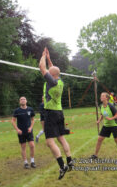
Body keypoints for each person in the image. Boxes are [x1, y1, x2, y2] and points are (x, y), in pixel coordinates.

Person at [39, 47, 73, 180]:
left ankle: (62, 166)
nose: (46, 72)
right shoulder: (59, 81)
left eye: (48, 72)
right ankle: (69, 160)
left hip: (51, 113)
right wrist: (49, 58)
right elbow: (52, 69)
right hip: (59, 112)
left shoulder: (51, 81)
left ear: (51, 75)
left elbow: (42, 67)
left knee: (49, 142)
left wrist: (42, 56)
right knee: (61, 138)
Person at [90, 92, 117, 160]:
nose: (101, 97)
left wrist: (111, 118)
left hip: (114, 125)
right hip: (106, 126)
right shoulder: (101, 106)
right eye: (101, 96)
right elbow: (102, 114)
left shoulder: (111, 106)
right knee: (99, 139)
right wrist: (99, 120)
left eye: (102, 96)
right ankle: (95, 155)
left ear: (106, 98)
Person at [12, 97, 36, 169]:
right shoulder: (17, 111)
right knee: (23, 147)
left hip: (29, 131)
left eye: (24, 99)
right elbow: (13, 121)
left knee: (32, 145)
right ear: (19, 102)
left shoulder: (30, 109)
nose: (23, 100)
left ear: (26, 101)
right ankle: (25, 163)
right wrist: (17, 129)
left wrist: (31, 127)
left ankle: (32, 161)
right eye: (21, 99)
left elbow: (32, 120)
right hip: (21, 132)